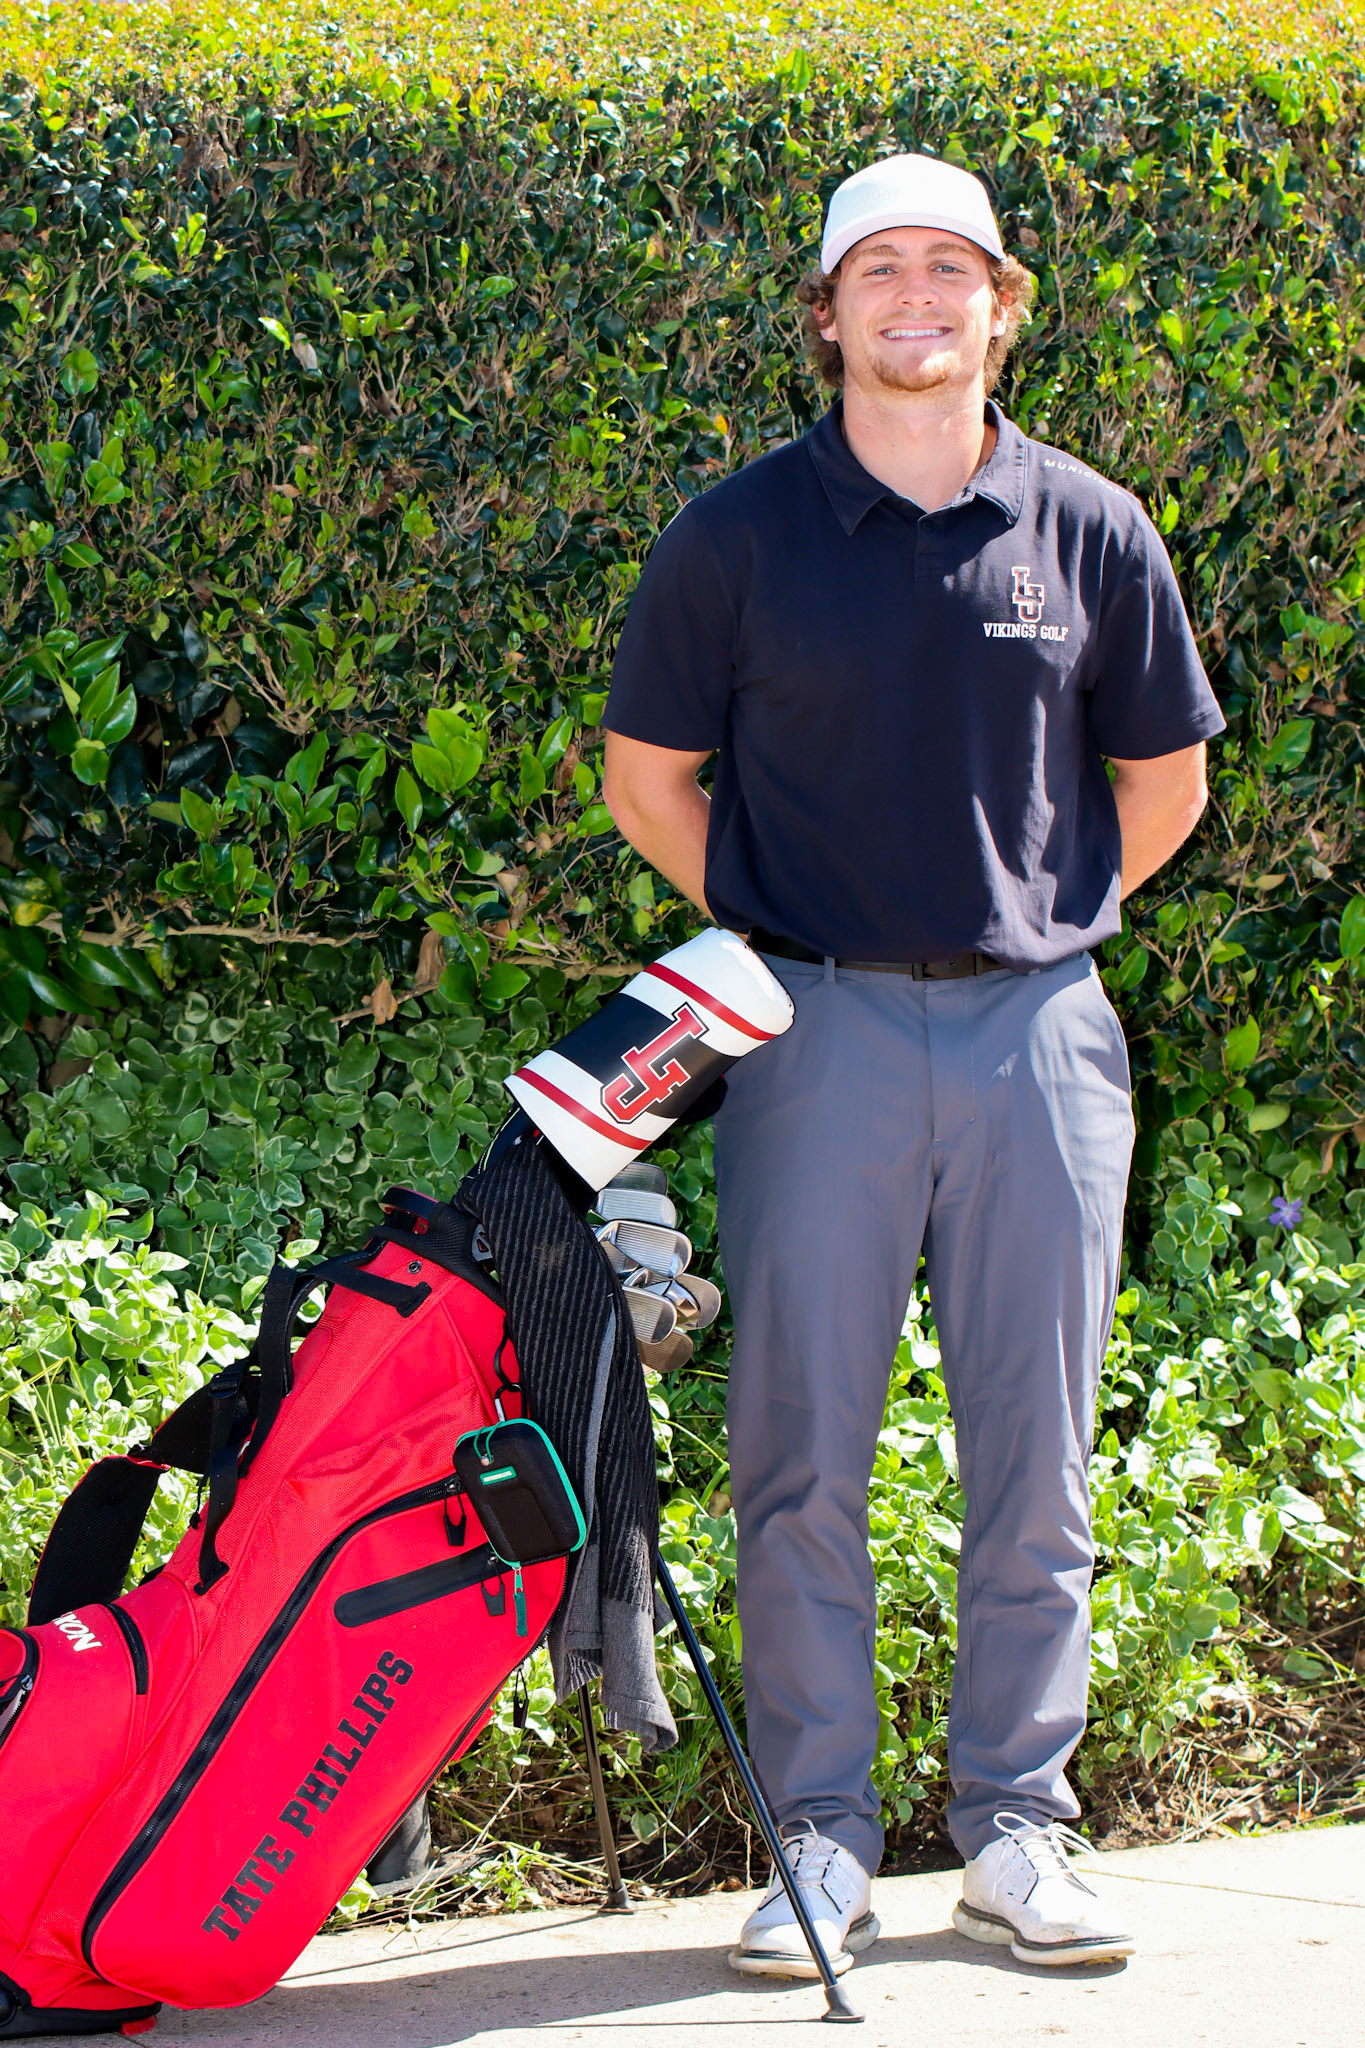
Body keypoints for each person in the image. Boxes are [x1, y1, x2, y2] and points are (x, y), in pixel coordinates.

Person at [601, 152, 1225, 1977]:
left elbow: (1163, 782)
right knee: (798, 1451)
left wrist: (1037, 918)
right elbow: (648, 784)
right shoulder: (733, 538)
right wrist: (790, 925)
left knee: (1036, 1455)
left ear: (1001, 307)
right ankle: (819, 1837)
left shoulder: (1088, 526)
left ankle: (1019, 1831)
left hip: (1042, 1036)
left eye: (952, 267)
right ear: (826, 312)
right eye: (879, 269)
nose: (917, 297)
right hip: (816, 1039)